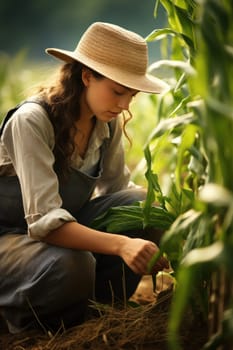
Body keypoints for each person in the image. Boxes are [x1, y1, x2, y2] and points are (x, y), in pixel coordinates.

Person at [0, 22, 169, 333]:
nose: (124, 105)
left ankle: (98, 313)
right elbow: (44, 222)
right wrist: (122, 245)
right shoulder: (32, 121)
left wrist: (171, 229)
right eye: (118, 91)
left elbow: (119, 194)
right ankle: (35, 323)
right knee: (74, 264)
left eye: (131, 95)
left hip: (59, 232)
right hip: (11, 240)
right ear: (86, 75)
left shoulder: (107, 123)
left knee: (144, 209)